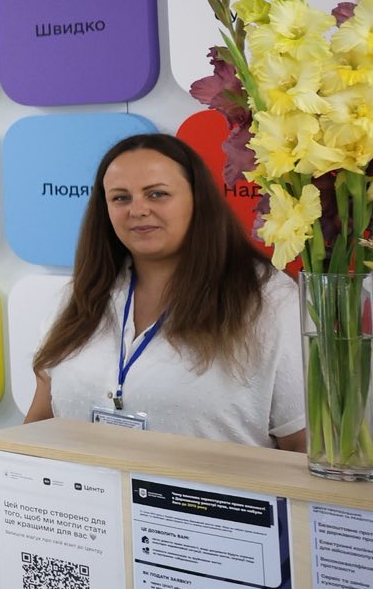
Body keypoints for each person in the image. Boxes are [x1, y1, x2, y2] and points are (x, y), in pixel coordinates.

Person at [23, 133, 307, 451]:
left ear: (198, 200)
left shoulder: (268, 301)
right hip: (82, 484)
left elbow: (302, 446)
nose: (138, 209)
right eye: (120, 198)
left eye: (157, 194)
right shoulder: (79, 296)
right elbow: (39, 423)